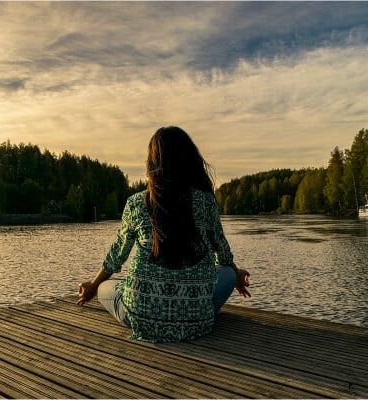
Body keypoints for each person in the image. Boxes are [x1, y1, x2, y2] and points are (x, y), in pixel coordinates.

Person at [77, 126, 251, 343]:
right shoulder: (206, 202)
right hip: (197, 321)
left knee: (105, 287)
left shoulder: (136, 203)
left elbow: (116, 256)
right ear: (190, 161)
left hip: (142, 318)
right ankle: (192, 309)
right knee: (226, 273)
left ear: (152, 164)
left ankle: (124, 296)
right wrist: (235, 274)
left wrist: (93, 286)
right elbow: (222, 252)